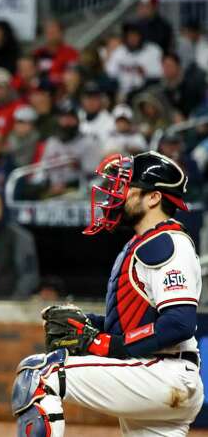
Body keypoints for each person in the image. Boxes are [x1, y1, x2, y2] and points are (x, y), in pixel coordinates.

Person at [12, 151, 203, 436]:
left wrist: (108, 345)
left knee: (40, 374)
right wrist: (91, 325)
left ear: (154, 198)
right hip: (161, 374)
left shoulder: (167, 243)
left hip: (163, 372)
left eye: (127, 187)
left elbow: (179, 323)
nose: (117, 194)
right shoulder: (146, 242)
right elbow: (137, 322)